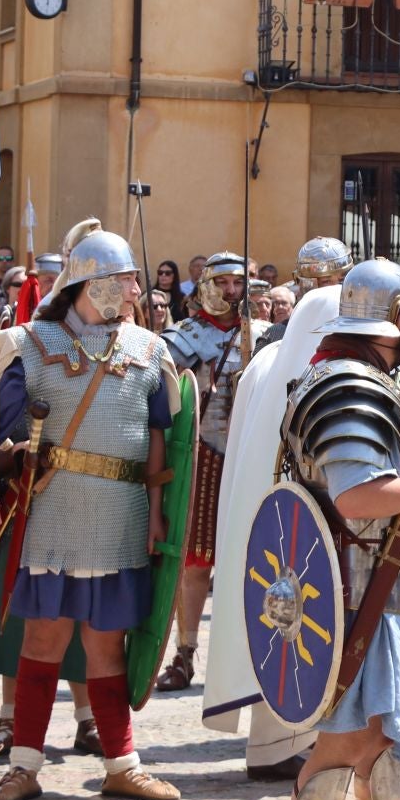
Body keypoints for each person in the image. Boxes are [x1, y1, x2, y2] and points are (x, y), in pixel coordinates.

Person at [0, 220, 180, 800]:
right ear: (92, 282)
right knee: (43, 640)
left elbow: (159, 441)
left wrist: (155, 512)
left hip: (121, 515)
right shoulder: (33, 344)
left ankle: (122, 765)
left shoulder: (149, 349)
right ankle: (24, 766)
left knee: (107, 648)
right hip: (55, 515)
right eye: (126, 280)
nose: (135, 290)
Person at [287, 260, 400, 800]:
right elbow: (357, 498)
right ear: (398, 317)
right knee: (350, 739)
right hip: (359, 590)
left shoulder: (348, 374)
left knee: (380, 737)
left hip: (379, 583)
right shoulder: (349, 385)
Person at [207, 238, 353, 782]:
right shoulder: (305, 365)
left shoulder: (265, 359)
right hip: (303, 512)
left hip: (269, 514)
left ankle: (278, 743)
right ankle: (281, 745)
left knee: (285, 617)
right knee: (299, 619)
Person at [157, 252, 269, 694]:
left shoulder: (264, 335)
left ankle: (248, 656)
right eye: (222, 283)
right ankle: (184, 652)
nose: (231, 291)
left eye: (238, 283)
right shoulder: (182, 337)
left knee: (252, 560)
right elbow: (163, 399)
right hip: (201, 455)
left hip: (250, 454)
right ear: (205, 286)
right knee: (194, 561)